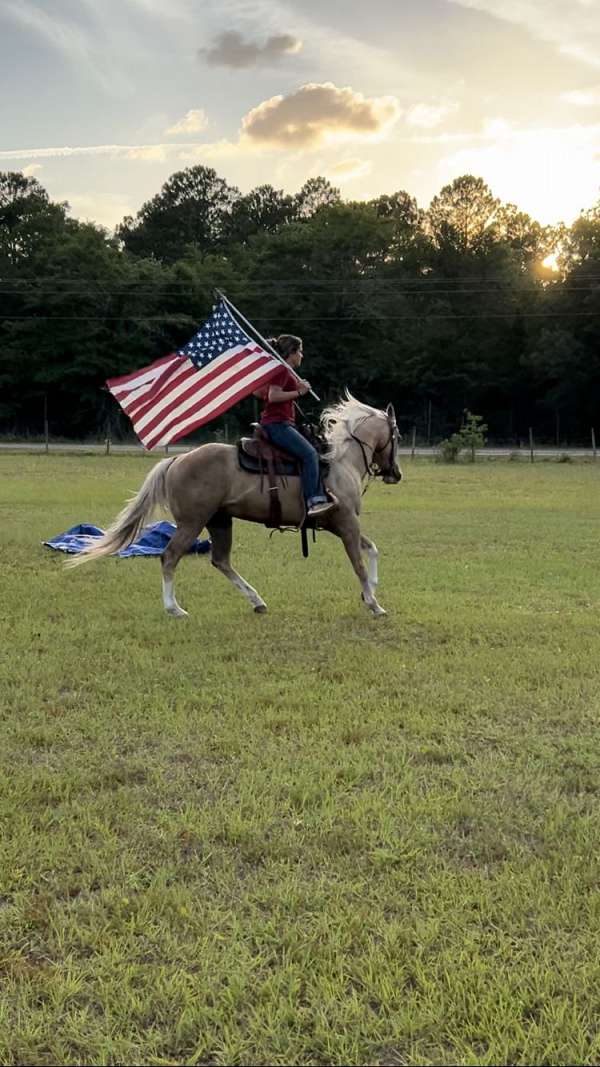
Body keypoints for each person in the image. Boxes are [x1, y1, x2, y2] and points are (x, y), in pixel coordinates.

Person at [254, 334, 334, 518]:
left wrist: (294, 387)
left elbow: (259, 392)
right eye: (300, 352)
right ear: (292, 352)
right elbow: (274, 396)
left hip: (279, 423)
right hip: (277, 425)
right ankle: (314, 501)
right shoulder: (282, 370)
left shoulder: (283, 371)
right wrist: (299, 391)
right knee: (310, 454)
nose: (302, 356)